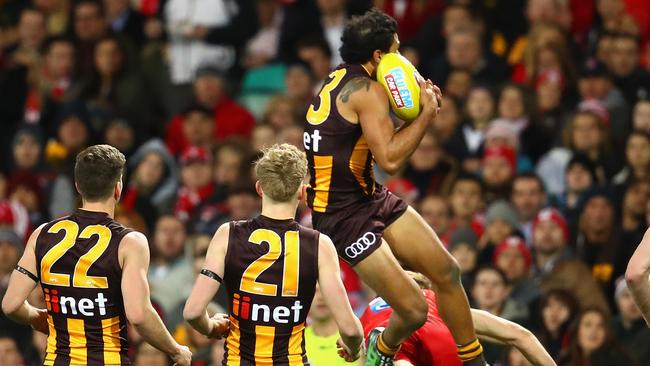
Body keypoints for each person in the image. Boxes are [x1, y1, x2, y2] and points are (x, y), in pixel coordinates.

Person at [302, 9, 484, 365]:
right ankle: (381, 349)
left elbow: (371, 137)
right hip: (342, 216)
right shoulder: (367, 91)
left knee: (447, 272)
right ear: (378, 57)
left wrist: (415, 104)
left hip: (368, 196)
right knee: (414, 310)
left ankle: (476, 362)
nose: (402, 57)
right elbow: (390, 159)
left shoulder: (339, 79)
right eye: (397, 50)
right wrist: (427, 116)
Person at [1, 144, 192, 365]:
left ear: (78, 187)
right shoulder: (130, 242)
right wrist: (175, 349)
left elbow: (11, 304)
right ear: (117, 188)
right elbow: (139, 315)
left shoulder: (42, 235)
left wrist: (37, 318)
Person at [183, 144, 363, 365]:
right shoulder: (319, 245)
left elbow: (192, 312)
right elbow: (351, 330)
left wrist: (211, 328)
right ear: (302, 191)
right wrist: (353, 349)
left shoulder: (227, 234)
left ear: (259, 188)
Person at [360, 271, 556, 366]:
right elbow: (521, 335)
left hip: (391, 346)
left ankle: (382, 349)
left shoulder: (368, 311)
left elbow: (352, 341)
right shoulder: (436, 301)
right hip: (440, 339)